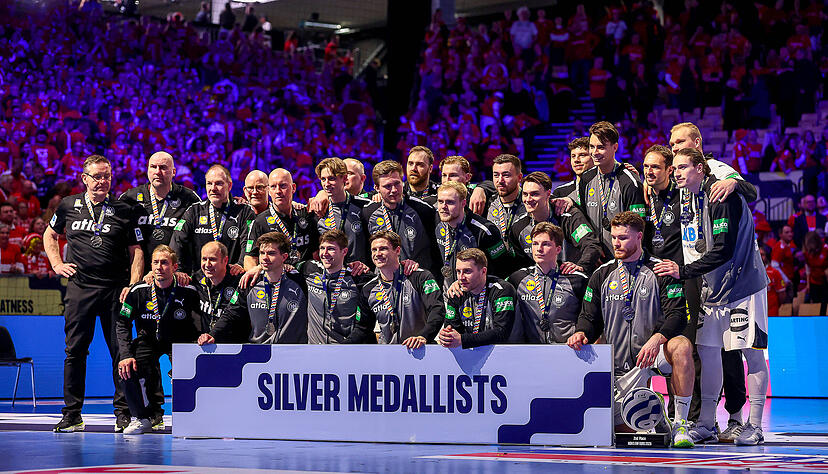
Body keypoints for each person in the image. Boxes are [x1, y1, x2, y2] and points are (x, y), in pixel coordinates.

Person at [654, 148, 770, 446]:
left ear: (701, 169)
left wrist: (683, 271)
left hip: (743, 286)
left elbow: (723, 250)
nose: (677, 172)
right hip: (711, 290)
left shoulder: (721, 195)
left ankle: (754, 425)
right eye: (675, 168)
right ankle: (706, 422)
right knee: (708, 352)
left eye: (683, 167)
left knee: (752, 355)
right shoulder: (687, 197)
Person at [568, 212, 695, 449]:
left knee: (682, 346)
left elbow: (678, 316)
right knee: (622, 434)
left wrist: (657, 339)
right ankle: (654, 409)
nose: (616, 243)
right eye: (613, 237)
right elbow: (588, 316)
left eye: (623, 238)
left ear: (639, 237)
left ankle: (681, 423)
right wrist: (582, 332)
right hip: (617, 366)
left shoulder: (661, 271)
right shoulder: (602, 274)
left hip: (652, 355)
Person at [44, 155, 145, 433]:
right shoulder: (68, 205)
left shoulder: (125, 209)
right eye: (97, 176)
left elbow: (136, 251)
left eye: (107, 176)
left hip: (115, 291)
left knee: (120, 353)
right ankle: (72, 414)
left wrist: (133, 285)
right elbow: (49, 234)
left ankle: (123, 414)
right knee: (74, 351)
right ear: (84, 178)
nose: (103, 181)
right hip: (80, 289)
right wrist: (56, 264)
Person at [116, 245, 200, 435]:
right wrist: (126, 355)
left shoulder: (188, 291)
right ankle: (143, 417)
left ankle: (189, 418)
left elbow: (199, 325)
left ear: (175, 267)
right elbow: (122, 323)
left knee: (189, 366)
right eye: (155, 262)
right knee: (128, 366)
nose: (159, 267)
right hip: (148, 339)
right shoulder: (138, 291)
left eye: (164, 263)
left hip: (178, 341)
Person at [200, 232, 308, 345]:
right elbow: (231, 313)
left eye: (271, 253)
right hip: (259, 354)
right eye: (262, 253)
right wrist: (213, 334)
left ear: (284, 257)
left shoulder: (299, 280)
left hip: (294, 353)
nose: (265, 258)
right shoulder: (249, 282)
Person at [119, 151, 201, 275]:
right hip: (140, 274)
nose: (157, 172)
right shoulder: (130, 198)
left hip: (178, 275)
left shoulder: (189, 198)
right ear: (147, 170)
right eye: (153, 167)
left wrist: (236, 202)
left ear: (173, 172)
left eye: (163, 167)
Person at [361, 230, 445, 346]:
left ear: (398, 250)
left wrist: (424, 336)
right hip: (387, 354)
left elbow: (437, 309)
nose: (377, 254)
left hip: (419, 350)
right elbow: (363, 328)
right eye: (374, 250)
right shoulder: (368, 288)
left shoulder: (420, 277)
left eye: (383, 249)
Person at [510, 171, 604, 274]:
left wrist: (581, 266)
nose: (528, 199)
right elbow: (517, 264)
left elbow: (591, 244)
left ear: (548, 194)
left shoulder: (568, 217)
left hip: (570, 280)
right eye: (525, 194)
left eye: (535, 194)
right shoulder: (518, 228)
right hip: (537, 285)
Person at [509, 222, 588, 343]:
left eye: (546, 244)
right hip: (531, 352)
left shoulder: (577, 280)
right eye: (535, 244)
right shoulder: (518, 278)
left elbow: (590, 316)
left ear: (558, 249)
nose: (539, 249)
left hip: (569, 351)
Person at [170, 164, 255, 274]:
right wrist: (178, 270)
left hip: (232, 279)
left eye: (219, 183)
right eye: (209, 183)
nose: (213, 188)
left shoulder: (244, 211)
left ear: (229, 186)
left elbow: (249, 242)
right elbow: (177, 242)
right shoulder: (194, 211)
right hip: (200, 283)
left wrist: (241, 263)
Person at [362, 160, 439, 278]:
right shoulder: (368, 212)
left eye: (397, 183)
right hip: (383, 282)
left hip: (416, 280)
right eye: (387, 186)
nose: (394, 190)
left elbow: (435, 250)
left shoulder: (423, 210)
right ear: (376, 188)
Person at [578, 121, 646, 254]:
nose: (595, 152)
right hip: (595, 258)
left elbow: (639, 227)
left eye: (601, 147)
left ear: (615, 147)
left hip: (623, 258)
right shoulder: (586, 179)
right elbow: (583, 219)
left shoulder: (629, 181)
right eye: (592, 147)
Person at [299, 230, 375, 344]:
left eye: (331, 249)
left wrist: (408, 265)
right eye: (322, 248)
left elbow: (387, 278)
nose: (325, 253)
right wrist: (261, 268)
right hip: (316, 351)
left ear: (344, 251)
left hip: (346, 350)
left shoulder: (358, 277)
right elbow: (286, 266)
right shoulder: (309, 269)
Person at [438, 248, 517, 349]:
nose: (461, 277)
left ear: (483, 271)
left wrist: (463, 340)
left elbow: (502, 333)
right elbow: (452, 329)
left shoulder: (502, 290)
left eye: (467, 271)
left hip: (506, 353)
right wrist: (446, 336)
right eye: (458, 271)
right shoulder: (456, 292)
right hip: (471, 354)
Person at [435, 182, 507, 288]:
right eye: (440, 202)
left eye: (450, 202)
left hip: (481, 296)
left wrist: (464, 283)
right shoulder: (438, 225)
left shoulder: (484, 231)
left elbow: (502, 271)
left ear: (463, 203)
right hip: (452, 295)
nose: (443, 207)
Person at [244, 169, 318, 270]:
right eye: (273, 187)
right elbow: (250, 259)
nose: (278, 191)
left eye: (283, 186)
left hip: (306, 278)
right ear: (269, 191)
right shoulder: (260, 222)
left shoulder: (306, 214)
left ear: (293, 188)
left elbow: (316, 253)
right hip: (277, 280)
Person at [315, 158, 371, 265]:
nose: (326, 184)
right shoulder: (318, 209)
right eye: (323, 179)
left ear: (344, 178)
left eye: (331, 178)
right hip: (330, 275)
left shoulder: (365, 206)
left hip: (358, 274)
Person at [192, 241, 243, 341]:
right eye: (204, 259)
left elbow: (231, 314)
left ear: (225, 260)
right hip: (208, 345)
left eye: (212, 259)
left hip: (235, 346)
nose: (207, 264)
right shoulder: (196, 279)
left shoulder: (239, 281)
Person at [483, 154, 526, 244]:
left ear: (519, 177)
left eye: (506, 175)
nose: (500, 180)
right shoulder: (487, 201)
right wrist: (479, 188)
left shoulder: (530, 202)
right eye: (496, 175)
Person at [553, 137, 594, 202]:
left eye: (582, 155)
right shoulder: (560, 193)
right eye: (573, 156)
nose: (576, 160)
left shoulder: (606, 188)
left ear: (594, 158)